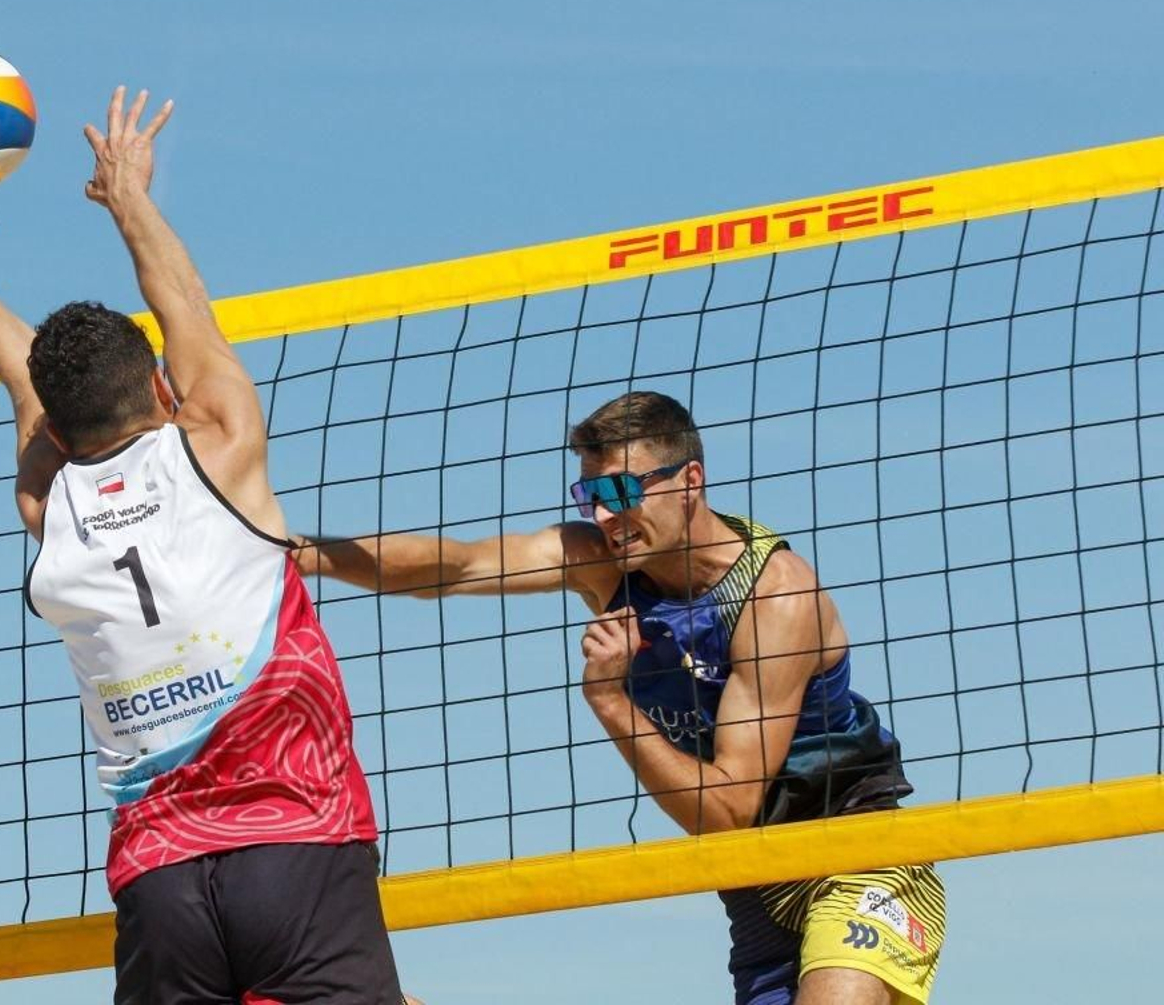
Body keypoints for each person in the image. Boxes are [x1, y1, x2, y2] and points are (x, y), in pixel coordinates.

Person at [0, 86, 406, 1005]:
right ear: (163, 390)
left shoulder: (47, 502)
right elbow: (184, 301)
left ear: (51, 423)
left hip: (161, 876)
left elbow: (12, 358)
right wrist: (130, 196)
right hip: (295, 842)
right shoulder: (218, 444)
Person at [297, 391, 944, 1005]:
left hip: (854, 852)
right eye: (591, 494)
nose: (605, 515)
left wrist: (610, 699)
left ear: (690, 479)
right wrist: (306, 556)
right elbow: (458, 566)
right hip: (755, 884)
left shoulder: (773, 596)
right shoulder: (602, 562)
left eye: (623, 491)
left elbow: (726, 808)